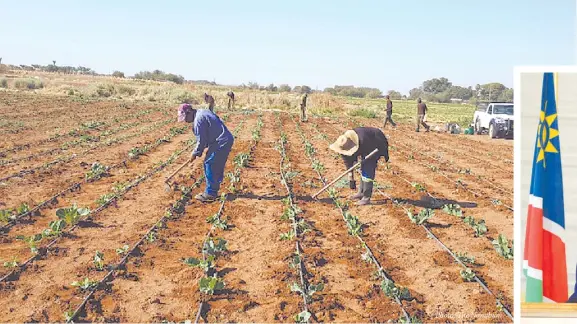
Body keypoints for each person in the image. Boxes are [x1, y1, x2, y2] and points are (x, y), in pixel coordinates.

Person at [177, 103, 234, 202]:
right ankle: (213, 189)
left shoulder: (199, 119)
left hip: (220, 141)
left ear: (189, 112)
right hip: (223, 139)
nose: (185, 121)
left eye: (185, 117)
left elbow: (201, 140)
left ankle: (210, 194)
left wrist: (195, 153)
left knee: (210, 163)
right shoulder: (202, 112)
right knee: (215, 164)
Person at [329, 127, 389, 206]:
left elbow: (369, 156)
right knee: (363, 168)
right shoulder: (345, 142)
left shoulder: (363, 140)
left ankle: (366, 197)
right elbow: (347, 161)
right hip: (365, 145)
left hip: (375, 143)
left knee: (368, 169)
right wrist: (351, 178)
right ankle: (360, 192)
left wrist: (367, 159)